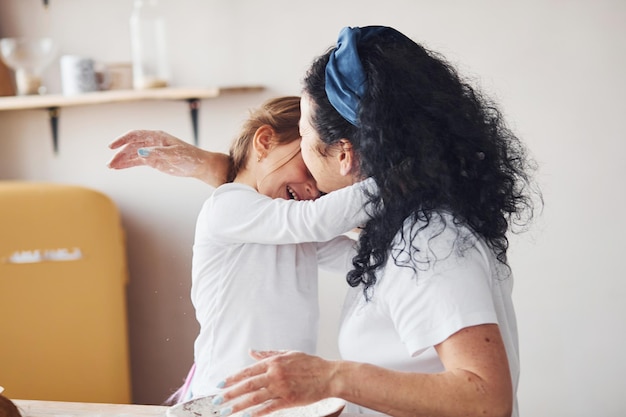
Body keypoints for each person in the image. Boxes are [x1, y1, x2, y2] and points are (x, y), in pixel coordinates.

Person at [111, 25, 539, 417]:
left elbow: (486, 399)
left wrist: (332, 378)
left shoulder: (427, 238)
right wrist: (221, 168)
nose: (312, 190)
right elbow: (303, 227)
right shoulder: (404, 232)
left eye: (307, 133)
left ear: (345, 153)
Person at [109, 97, 371, 402]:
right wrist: (398, 181)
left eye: (324, 187)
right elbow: (317, 219)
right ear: (264, 142)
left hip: (280, 396)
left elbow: (363, 263)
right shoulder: (229, 205)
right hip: (225, 392)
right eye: (309, 170)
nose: (316, 191)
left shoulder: (295, 228)